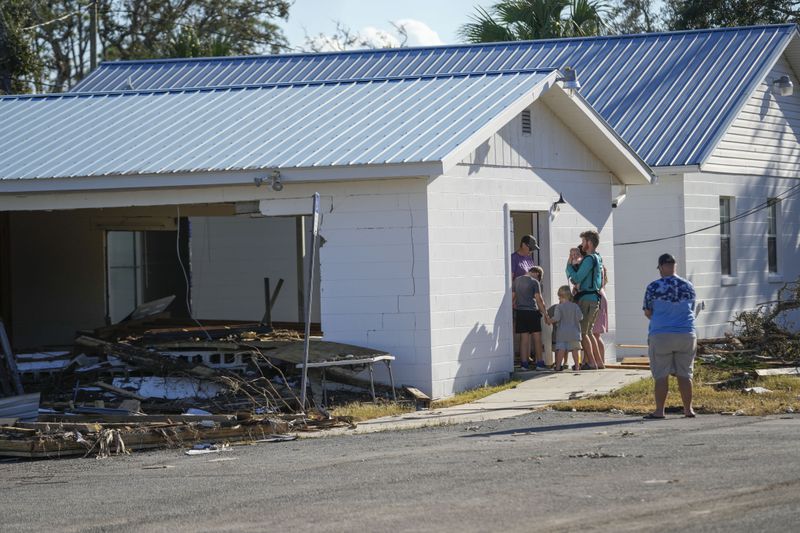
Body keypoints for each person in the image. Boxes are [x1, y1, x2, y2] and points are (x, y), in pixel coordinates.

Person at [642, 253, 697, 419]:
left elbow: (648, 311)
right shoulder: (688, 286)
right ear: (675, 266)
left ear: (661, 267)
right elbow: (691, 310)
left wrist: (662, 320)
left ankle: (660, 411)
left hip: (661, 334)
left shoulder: (653, 287)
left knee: (661, 374)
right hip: (686, 333)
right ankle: (688, 409)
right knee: (685, 374)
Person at [566, 230, 604, 370]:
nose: (581, 245)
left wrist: (569, 265)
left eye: (583, 242)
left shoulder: (589, 259)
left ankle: (592, 362)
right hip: (594, 298)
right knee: (589, 331)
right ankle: (598, 362)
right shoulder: (597, 257)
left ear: (589, 242)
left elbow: (576, 277)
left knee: (583, 332)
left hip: (586, 298)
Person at [512, 266, 550, 370]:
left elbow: (513, 297)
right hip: (532, 312)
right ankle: (539, 363)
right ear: (537, 274)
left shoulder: (517, 280)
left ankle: (524, 364)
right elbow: (539, 300)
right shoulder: (534, 282)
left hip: (520, 312)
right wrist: (546, 314)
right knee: (537, 338)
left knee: (524, 339)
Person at [551, 285, 582, 372]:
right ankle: (577, 367)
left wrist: (550, 320)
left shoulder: (559, 307)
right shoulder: (575, 306)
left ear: (561, 296)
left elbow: (556, 318)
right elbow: (580, 317)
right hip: (574, 332)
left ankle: (558, 367)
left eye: (559, 297)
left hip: (562, 333)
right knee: (575, 350)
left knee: (561, 349)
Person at [592, 265, 609, 362]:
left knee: (596, 334)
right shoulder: (601, 287)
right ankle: (599, 360)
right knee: (595, 334)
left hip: (599, 302)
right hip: (600, 300)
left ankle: (600, 360)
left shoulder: (598, 286)